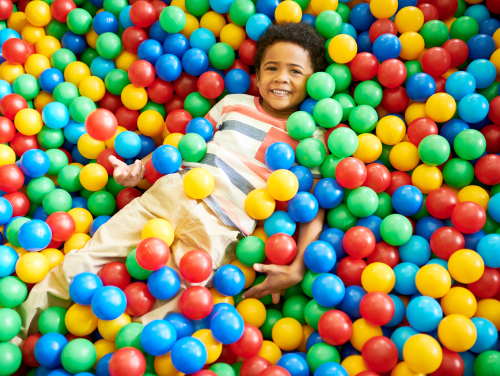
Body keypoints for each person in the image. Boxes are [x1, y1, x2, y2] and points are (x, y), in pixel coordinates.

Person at [17, 22, 329, 338]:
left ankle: (123, 352)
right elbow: (185, 146)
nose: (281, 78)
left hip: (222, 226)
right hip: (172, 194)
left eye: (295, 72)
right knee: (83, 261)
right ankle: (18, 332)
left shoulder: (312, 138)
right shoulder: (234, 103)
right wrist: (140, 169)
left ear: (314, 82)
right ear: (258, 76)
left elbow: (311, 205)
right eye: (272, 68)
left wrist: (298, 265)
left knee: (174, 304)